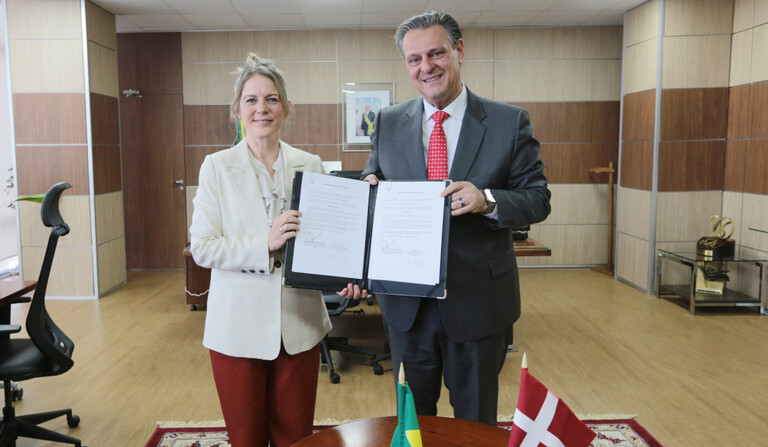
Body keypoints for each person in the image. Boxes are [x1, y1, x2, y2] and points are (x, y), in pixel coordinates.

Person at [360, 11, 551, 425]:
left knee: (475, 422)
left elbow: (538, 200)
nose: (425, 67)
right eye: (414, 59)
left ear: (459, 51)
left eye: (436, 53)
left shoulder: (507, 121)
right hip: (407, 306)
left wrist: (486, 199)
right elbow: (372, 177)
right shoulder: (388, 122)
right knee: (413, 421)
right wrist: (369, 188)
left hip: (478, 304)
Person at [189, 53, 348, 447]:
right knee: (246, 438)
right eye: (252, 100)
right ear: (237, 110)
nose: (262, 108)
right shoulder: (216, 166)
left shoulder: (309, 164)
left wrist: (347, 270)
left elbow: (327, 239)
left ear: (286, 107)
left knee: (296, 438)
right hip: (236, 328)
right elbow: (203, 248)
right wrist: (265, 242)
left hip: (300, 323)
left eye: (272, 99)